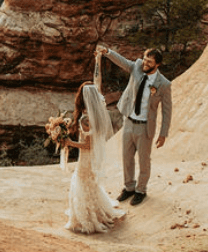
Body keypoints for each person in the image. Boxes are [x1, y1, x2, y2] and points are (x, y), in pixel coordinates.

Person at [96, 45, 172, 206]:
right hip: (128, 122)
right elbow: (122, 61)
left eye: (149, 62)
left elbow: (167, 111)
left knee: (144, 161)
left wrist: (163, 134)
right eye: (144, 59)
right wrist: (107, 52)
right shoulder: (137, 66)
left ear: (157, 64)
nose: (145, 63)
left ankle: (141, 190)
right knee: (127, 158)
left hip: (145, 127)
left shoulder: (164, 84)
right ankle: (129, 187)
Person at [61, 81, 125, 234]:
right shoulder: (95, 115)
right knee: (89, 184)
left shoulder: (85, 119)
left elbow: (87, 145)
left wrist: (69, 142)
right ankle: (95, 212)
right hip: (92, 157)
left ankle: (86, 218)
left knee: (83, 183)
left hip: (86, 159)